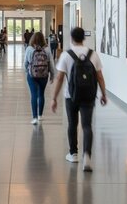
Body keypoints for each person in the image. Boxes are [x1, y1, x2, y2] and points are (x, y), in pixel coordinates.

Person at [51, 27, 107, 172]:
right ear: (84, 38)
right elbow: (99, 76)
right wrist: (103, 93)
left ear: (71, 38)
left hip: (71, 96)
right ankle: (87, 156)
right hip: (88, 95)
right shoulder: (92, 54)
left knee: (72, 124)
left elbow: (60, 78)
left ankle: (73, 153)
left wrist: (54, 98)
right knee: (87, 125)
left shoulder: (66, 55)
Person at [24, 32, 56, 125]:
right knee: (41, 94)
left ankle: (34, 118)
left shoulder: (29, 49)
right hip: (44, 75)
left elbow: (25, 63)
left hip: (32, 76)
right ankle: (40, 115)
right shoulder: (47, 49)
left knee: (34, 95)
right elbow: (51, 63)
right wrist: (52, 75)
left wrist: (28, 71)